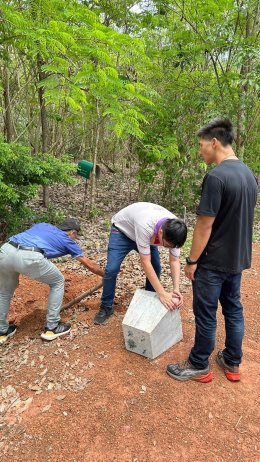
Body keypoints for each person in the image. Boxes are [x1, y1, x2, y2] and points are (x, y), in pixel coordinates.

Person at [166, 118, 258, 383]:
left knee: (205, 313)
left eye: (201, 145)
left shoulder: (216, 177)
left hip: (213, 261)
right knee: (233, 309)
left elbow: (204, 226)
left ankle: (198, 364)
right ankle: (232, 361)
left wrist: (192, 260)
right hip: (237, 259)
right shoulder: (249, 176)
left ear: (214, 142)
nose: (199, 150)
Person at [0, 218, 104, 343]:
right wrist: (106, 275)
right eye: (76, 236)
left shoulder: (43, 225)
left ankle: (2, 331)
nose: (75, 239)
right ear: (72, 233)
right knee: (58, 281)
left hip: (6, 250)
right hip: (29, 256)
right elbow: (90, 265)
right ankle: (52, 328)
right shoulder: (68, 240)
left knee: (4, 292)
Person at [94, 202, 187, 325]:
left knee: (156, 267)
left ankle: (150, 301)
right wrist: (163, 293)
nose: (168, 248)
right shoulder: (146, 225)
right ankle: (106, 306)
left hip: (146, 234)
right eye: (167, 245)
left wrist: (176, 289)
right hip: (123, 231)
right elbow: (145, 262)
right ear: (160, 232)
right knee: (112, 269)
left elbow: (174, 260)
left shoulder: (176, 231)